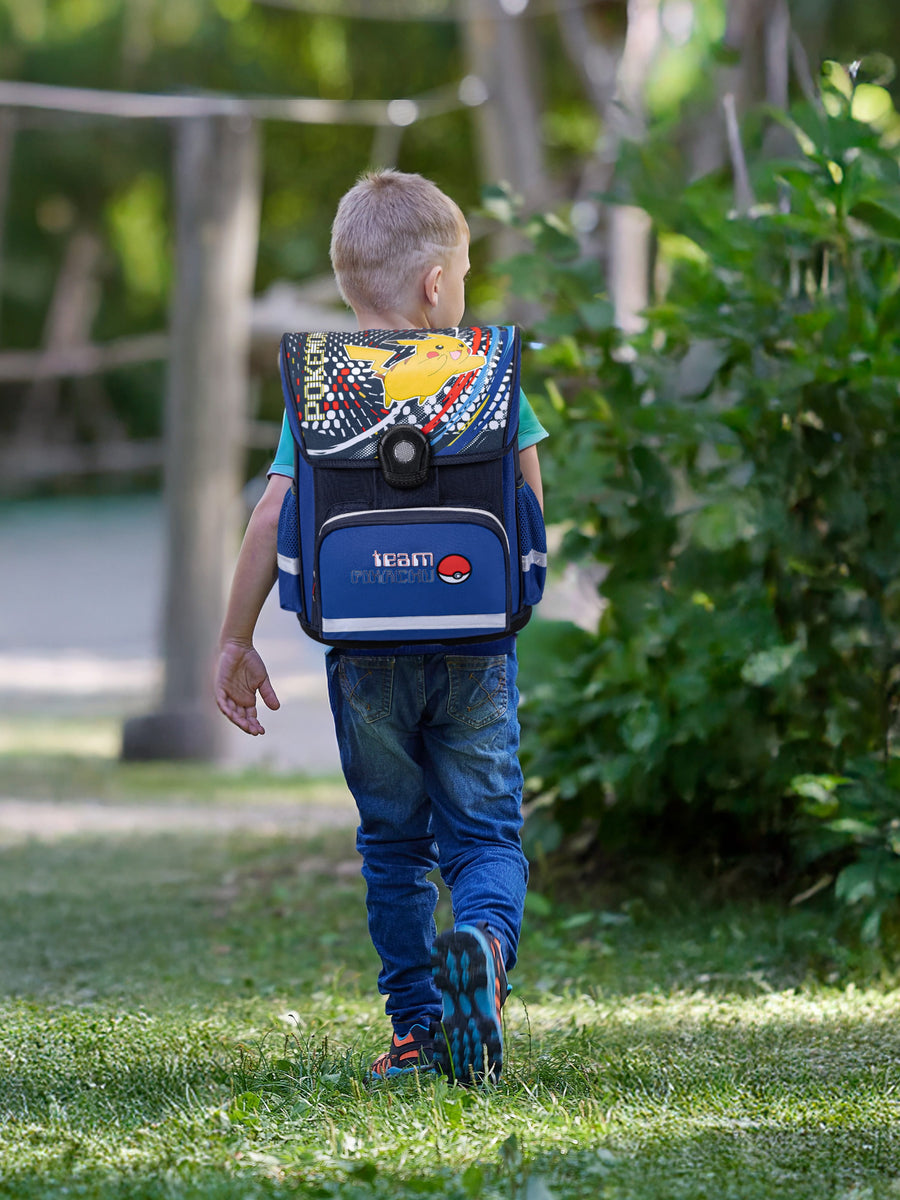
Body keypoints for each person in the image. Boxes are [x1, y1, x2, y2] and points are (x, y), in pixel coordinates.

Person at [215, 169, 546, 1085]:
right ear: (438, 284)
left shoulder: (322, 392)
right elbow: (527, 507)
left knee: (393, 847)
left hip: (365, 657)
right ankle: (480, 940)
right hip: (477, 645)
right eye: (466, 274)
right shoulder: (489, 373)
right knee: (484, 838)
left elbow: (268, 517)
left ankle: (417, 1033)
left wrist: (235, 641)